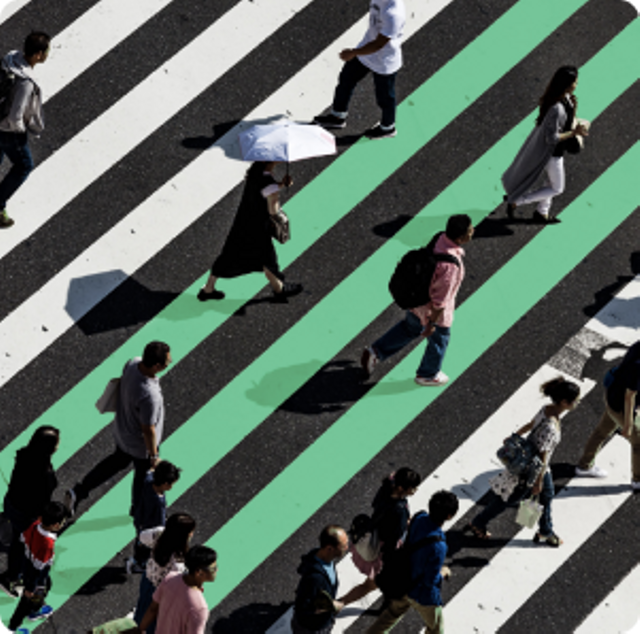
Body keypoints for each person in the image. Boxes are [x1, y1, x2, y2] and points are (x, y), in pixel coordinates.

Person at [467, 377, 581, 546]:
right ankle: (479, 522)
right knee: (509, 499)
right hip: (532, 468)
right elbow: (544, 454)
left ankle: (546, 530)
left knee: (546, 496)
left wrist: (515, 437)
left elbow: (530, 424)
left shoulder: (547, 409)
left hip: (531, 461)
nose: (577, 403)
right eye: (576, 400)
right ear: (565, 402)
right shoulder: (551, 426)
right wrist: (539, 480)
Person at [361, 214, 473, 386]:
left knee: (409, 328)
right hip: (432, 311)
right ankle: (427, 374)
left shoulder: (440, 238)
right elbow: (440, 301)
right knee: (439, 339)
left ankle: (376, 352)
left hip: (417, 301)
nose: (473, 231)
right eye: (470, 230)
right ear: (459, 237)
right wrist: (431, 325)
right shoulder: (450, 266)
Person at [65, 342, 171, 518]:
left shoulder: (132, 364)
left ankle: (79, 491)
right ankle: (138, 511)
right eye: (167, 362)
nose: (169, 363)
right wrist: (153, 455)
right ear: (156, 366)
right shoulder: (149, 395)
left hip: (122, 432)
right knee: (142, 477)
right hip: (140, 445)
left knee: (115, 463)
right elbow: (148, 429)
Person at [198, 161, 303, 303]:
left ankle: (208, 288)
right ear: (271, 162)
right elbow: (273, 210)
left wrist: (280, 185)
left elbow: (263, 190)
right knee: (267, 259)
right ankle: (279, 289)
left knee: (229, 254)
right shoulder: (269, 183)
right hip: (259, 228)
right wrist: (277, 197)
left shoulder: (255, 174)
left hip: (244, 221)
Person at [502, 65, 589, 223]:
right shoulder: (557, 108)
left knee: (550, 182)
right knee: (557, 188)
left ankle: (542, 212)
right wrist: (574, 133)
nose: (577, 84)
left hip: (557, 151)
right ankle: (516, 201)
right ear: (567, 84)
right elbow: (552, 138)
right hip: (552, 154)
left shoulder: (566, 99)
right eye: (575, 82)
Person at [366, 490, 459, 634]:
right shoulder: (439, 545)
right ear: (449, 516)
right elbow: (430, 580)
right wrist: (443, 572)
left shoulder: (419, 517)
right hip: (422, 595)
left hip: (402, 582)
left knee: (389, 616)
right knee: (435, 630)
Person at [313, 0, 405, 140]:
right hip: (366, 51)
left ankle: (388, 128)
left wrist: (354, 52)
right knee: (346, 80)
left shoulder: (393, 13)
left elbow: (378, 44)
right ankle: (338, 116)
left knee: (385, 98)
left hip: (383, 61)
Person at [339, 468, 420, 606]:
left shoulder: (386, 489)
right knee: (370, 585)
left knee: (382, 583)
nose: (415, 490)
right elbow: (393, 540)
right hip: (385, 551)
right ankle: (338, 604)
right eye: (412, 488)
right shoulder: (398, 511)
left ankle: (387, 601)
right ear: (401, 488)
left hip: (376, 534)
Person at [0, 426, 59, 599]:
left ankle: (13, 575)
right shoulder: (44, 472)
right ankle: (11, 577)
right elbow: (43, 499)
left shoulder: (24, 455)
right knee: (20, 544)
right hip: (27, 514)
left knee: (17, 538)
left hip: (12, 502)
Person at [0, 31, 50, 228]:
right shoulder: (26, 83)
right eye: (46, 50)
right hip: (7, 130)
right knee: (24, 165)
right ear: (37, 54)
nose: (47, 54)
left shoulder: (10, 59)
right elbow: (15, 117)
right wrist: (20, 132)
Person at [575, 342, 640, 491]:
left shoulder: (637, 346)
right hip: (622, 407)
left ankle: (584, 465)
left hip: (612, 395)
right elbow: (629, 396)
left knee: (601, 432)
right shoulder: (639, 367)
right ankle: (638, 480)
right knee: (638, 444)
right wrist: (628, 425)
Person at [5, 501, 67, 633]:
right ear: (56, 525)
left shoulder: (34, 525)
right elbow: (39, 566)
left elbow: (22, 538)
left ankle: (35, 608)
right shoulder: (47, 544)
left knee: (46, 586)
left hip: (27, 563)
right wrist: (30, 588)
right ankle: (13, 627)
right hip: (36, 573)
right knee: (29, 598)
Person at [133, 512, 196, 634]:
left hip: (147, 579)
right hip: (161, 592)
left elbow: (142, 537)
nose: (192, 534)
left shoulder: (159, 533)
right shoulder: (178, 561)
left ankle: (136, 626)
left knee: (142, 607)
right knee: (154, 619)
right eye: (191, 532)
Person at [136, 544, 217, 634]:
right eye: (213, 568)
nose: (216, 570)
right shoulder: (200, 608)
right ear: (199, 572)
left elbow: (152, 609)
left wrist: (140, 630)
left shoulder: (170, 578)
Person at [126, 460, 182, 575]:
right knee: (147, 548)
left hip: (140, 520)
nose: (171, 487)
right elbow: (160, 524)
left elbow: (150, 473)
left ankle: (137, 558)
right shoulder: (159, 503)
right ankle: (138, 564)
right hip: (150, 527)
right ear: (165, 484)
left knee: (140, 541)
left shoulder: (148, 481)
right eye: (171, 484)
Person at [292, 525, 349, 634]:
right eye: (343, 546)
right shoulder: (315, 578)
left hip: (322, 621)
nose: (347, 548)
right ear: (329, 549)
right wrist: (332, 606)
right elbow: (303, 608)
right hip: (313, 628)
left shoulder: (322, 556)